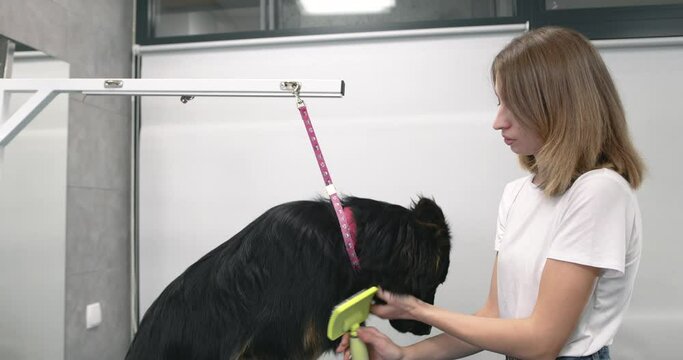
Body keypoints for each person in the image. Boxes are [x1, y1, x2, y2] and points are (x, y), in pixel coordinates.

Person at [337, 26, 644, 360]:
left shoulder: (599, 191)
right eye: (500, 103)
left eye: (513, 105)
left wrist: (418, 310)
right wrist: (404, 355)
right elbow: (495, 318)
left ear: (559, 107)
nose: (498, 122)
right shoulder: (516, 195)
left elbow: (542, 342)